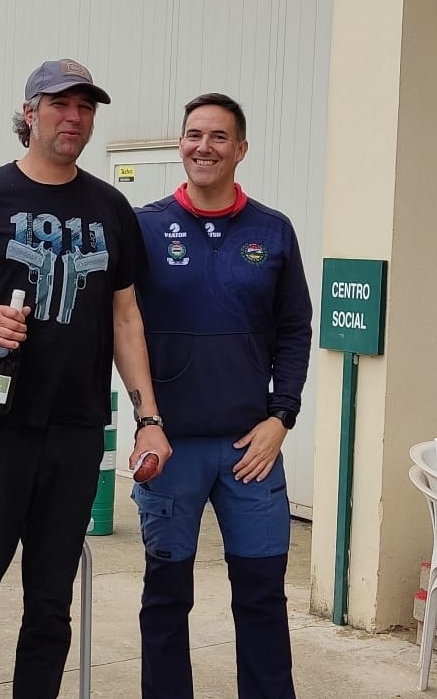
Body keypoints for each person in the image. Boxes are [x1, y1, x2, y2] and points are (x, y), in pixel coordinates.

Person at [0, 58, 172, 699]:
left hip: (75, 432)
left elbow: (126, 317)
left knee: (51, 607)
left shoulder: (111, 208)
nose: (74, 118)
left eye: (85, 107)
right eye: (60, 104)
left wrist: (148, 418)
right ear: (30, 113)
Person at [132, 93, 313, 698]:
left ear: (241, 149)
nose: (203, 147)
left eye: (217, 137)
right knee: (165, 598)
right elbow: (120, 324)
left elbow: (295, 330)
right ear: (180, 144)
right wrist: (145, 419)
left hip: (249, 450)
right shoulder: (145, 227)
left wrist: (281, 416)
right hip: (171, 447)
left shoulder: (272, 230)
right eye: (193, 135)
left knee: (261, 597)